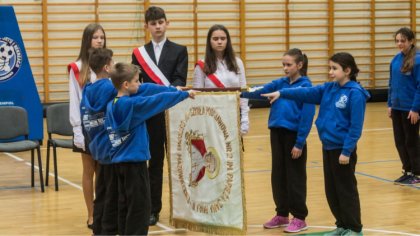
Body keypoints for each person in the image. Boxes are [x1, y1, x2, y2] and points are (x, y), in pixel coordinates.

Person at [262, 52, 369, 235]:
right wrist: (281, 93)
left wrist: (347, 150)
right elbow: (305, 92)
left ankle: (354, 227)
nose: (330, 72)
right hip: (327, 146)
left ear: (348, 70)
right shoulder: (329, 88)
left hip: (342, 150)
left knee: (345, 190)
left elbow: (355, 127)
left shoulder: (355, 94)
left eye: (334, 68)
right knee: (332, 190)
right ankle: (342, 225)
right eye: (330, 68)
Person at [105, 62, 195, 235]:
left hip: (119, 164)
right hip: (135, 164)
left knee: (125, 206)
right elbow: (155, 101)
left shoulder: (112, 104)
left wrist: (174, 89)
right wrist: (182, 96)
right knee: (140, 209)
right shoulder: (132, 106)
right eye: (136, 81)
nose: (139, 84)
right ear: (126, 84)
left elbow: (148, 89)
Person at [241, 48, 315, 233]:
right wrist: (238, 92)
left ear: (300, 65)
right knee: (278, 175)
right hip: (276, 133)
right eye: (283, 64)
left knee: (295, 177)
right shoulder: (280, 83)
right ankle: (282, 213)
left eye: (289, 65)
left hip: (294, 137)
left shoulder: (306, 87)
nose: (285, 68)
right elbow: (259, 92)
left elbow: (307, 117)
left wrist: (299, 143)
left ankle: (299, 216)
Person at [131, 6, 188, 225]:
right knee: (154, 164)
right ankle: (153, 209)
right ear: (146, 26)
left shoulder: (180, 50)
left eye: (161, 22)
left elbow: (179, 80)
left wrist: (163, 97)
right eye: (153, 23)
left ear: (167, 23)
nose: (158, 27)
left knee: (179, 163)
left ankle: (184, 210)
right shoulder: (139, 53)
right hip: (152, 116)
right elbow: (137, 84)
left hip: (175, 114)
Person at [68, 23, 106, 229]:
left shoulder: (110, 65)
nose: (99, 40)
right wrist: (77, 130)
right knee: (89, 170)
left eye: (102, 37)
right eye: (95, 37)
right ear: (87, 40)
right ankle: (91, 214)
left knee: (105, 171)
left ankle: (103, 211)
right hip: (86, 126)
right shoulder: (76, 68)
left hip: (105, 125)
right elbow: (74, 100)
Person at [193, 24, 249, 135]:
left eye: (223, 39)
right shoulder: (201, 65)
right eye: (215, 39)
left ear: (227, 41)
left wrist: (245, 118)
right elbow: (197, 97)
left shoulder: (238, 62)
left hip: (233, 115)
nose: (219, 42)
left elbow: (244, 93)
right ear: (209, 41)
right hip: (211, 118)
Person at [388, 27, 420, 185]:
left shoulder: (418, 59)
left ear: (411, 41)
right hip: (397, 108)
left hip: (410, 109)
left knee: (411, 141)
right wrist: (390, 104)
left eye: (403, 41)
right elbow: (392, 83)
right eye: (397, 41)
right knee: (399, 141)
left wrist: (415, 108)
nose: (399, 43)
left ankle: (417, 172)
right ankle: (407, 170)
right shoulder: (395, 59)